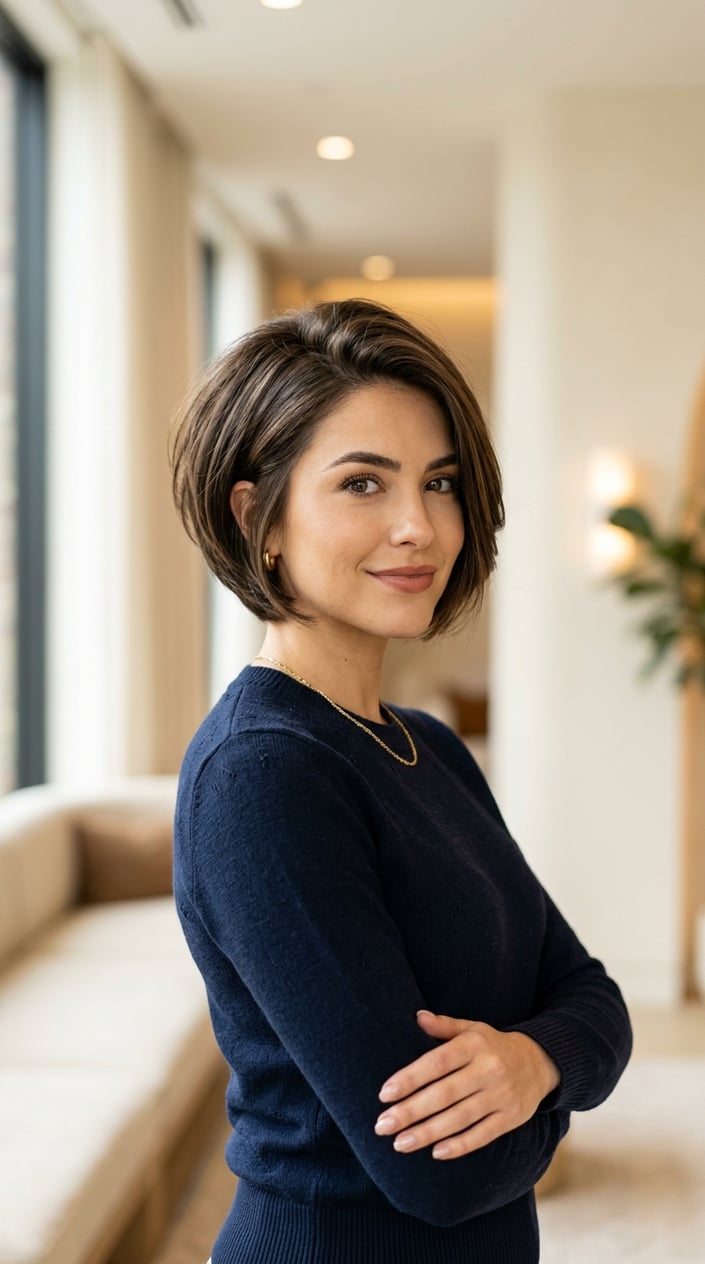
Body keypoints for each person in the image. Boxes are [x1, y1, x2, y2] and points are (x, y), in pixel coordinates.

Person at [170, 298, 632, 1264]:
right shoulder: (262, 775)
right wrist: (562, 1077)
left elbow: (593, 994)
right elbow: (441, 1173)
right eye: (362, 484)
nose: (418, 526)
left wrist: (532, 1060)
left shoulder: (427, 746)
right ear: (257, 517)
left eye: (439, 482)